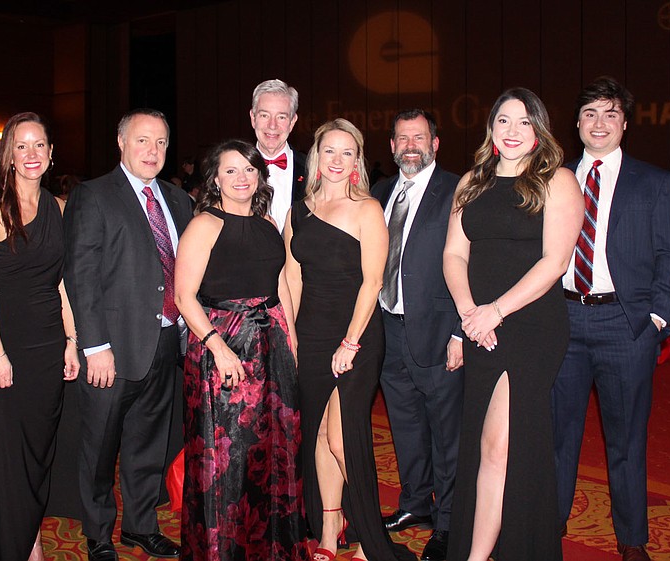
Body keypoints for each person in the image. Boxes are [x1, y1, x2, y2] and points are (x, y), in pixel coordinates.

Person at [442, 88, 583, 561]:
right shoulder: (471, 183)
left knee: (500, 446)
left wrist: (494, 311)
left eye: (525, 122)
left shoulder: (557, 180)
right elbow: (454, 254)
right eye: (504, 120)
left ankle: (478, 557)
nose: (513, 131)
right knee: (487, 446)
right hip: (479, 326)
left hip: (529, 326)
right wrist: (469, 315)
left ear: (539, 129)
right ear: (491, 127)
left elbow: (554, 262)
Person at [552, 77, 670, 561]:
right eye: (590, 114)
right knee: (557, 435)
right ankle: (552, 524)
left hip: (625, 326)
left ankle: (631, 540)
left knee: (626, 439)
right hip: (563, 321)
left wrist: (654, 320)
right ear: (578, 124)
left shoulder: (653, 181)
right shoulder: (555, 176)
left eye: (610, 114)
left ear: (624, 123)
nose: (600, 123)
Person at [64, 108, 193, 561]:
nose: (152, 151)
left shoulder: (178, 200)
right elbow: (81, 275)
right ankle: (98, 534)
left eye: (160, 142)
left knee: (148, 444)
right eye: (142, 140)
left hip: (165, 341)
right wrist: (94, 346)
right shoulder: (94, 195)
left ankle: (141, 526)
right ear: (121, 143)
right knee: (99, 447)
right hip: (111, 349)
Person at [285, 118, 416, 561]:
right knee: (319, 435)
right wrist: (292, 337)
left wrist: (350, 343)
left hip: (355, 334)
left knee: (344, 439)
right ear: (316, 157)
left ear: (357, 159)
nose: (337, 160)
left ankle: (369, 536)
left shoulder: (367, 210)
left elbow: (373, 281)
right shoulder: (297, 212)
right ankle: (328, 529)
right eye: (329, 151)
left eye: (347, 152)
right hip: (311, 333)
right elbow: (292, 277)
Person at [174, 139, 309, 560]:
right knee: (228, 458)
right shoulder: (205, 225)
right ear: (215, 177)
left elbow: (281, 284)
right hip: (223, 348)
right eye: (230, 170)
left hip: (271, 345)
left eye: (249, 169)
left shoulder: (269, 222)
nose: (241, 178)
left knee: (273, 452)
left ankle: (270, 549)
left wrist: (293, 341)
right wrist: (219, 348)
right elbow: (183, 295)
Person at [0, 111, 80, 561]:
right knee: (8, 450)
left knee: (40, 446)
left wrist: (72, 341)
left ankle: (29, 532)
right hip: (6, 342)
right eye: (21, 146)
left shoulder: (59, 208)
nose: (31, 154)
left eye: (39, 145)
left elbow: (62, 283)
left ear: (51, 154)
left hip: (48, 344)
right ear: (9, 156)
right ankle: (9, 546)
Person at [372, 109, 463, 561]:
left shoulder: (458, 189)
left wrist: (462, 332)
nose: (411, 145)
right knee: (405, 425)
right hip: (387, 330)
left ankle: (447, 522)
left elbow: (475, 265)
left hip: (440, 330)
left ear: (435, 143)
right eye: (402, 138)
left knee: (448, 435)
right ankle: (414, 504)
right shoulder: (380, 191)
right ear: (391, 146)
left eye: (420, 137)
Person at [250, 78, 307, 231]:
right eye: (264, 115)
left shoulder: (313, 170)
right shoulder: (231, 172)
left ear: (293, 121)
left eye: (281, 116)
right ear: (253, 118)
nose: (272, 125)